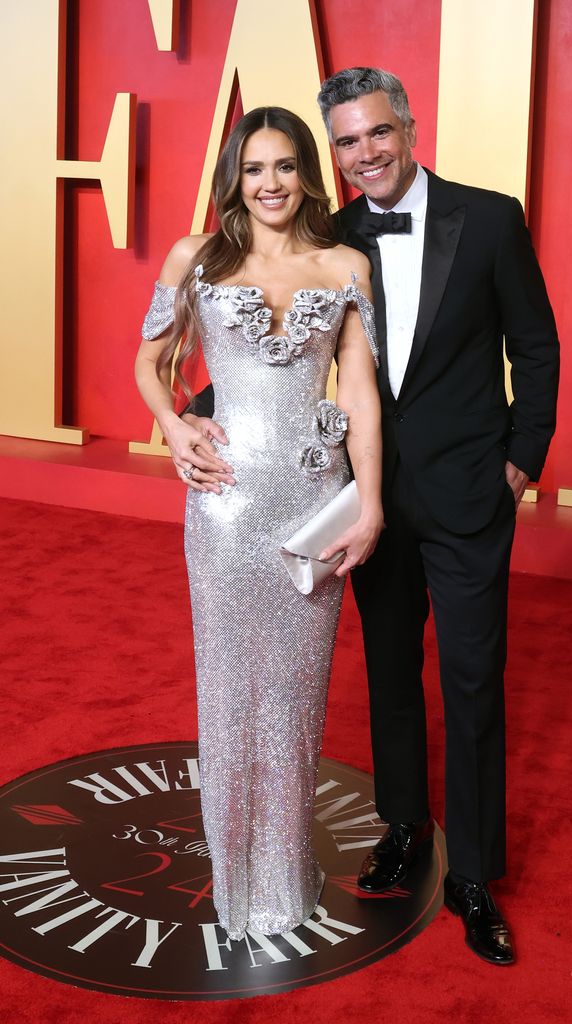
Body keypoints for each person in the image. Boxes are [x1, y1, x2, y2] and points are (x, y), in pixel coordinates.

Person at [185, 68, 560, 965]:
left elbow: (536, 347)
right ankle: (404, 829)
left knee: (471, 684)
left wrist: (520, 464)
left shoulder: (492, 217)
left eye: (378, 134)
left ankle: (471, 875)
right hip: (358, 499)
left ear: (411, 129)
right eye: (347, 142)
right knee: (389, 674)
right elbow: (277, 344)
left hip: (471, 494)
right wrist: (197, 417)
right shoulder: (329, 234)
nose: (365, 155)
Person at [134, 106, 383, 940]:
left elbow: (357, 394)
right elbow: (149, 357)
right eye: (254, 169)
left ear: (309, 173)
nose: (269, 184)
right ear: (233, 179)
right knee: (233, 691)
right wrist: (172, 424)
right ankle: (236, 886)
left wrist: (371, 501)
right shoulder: (196, 258)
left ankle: (283, 875)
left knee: (297, 697)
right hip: (226, 502)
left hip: (314, 502)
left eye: (284, 167)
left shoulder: (345, 264)